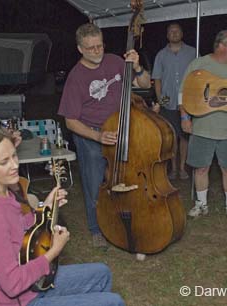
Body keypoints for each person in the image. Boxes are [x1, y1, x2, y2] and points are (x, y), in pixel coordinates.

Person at [0, 127, 125, 306]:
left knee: (102, 273)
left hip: (31, 286)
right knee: (114, 302)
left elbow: (18, 227)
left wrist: (44, 208)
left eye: (14, 156)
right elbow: (12, 284)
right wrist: (54, 252)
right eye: (4, 162)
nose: (15, 165)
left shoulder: (3, 193)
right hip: (22, 299)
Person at [58, 23, 151, 247]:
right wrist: (98, 137)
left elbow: (145, 84)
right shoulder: (76, 77)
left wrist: (137, 68)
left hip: (121, 128)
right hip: (92, 134)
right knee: (95, 185)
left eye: (99, 46)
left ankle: (123, 219)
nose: (97, 51)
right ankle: (96, 229)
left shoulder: (115, 62)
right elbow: (70, 121)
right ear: (80, 49)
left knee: (124, 179)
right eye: (90, 48)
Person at [179, 30, 227, 222]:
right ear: (222, 46)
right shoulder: (199, 64)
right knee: (201, 168)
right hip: (201, 128)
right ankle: (201, 204)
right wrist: (184, 117)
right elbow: (183, 93)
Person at [151, 22, 196, 180]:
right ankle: (173, 169)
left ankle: (183, 168)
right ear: (167, 35)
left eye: (177, 31)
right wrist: (160, 100)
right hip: (167, 101)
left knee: (185, 136)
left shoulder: (193, 52)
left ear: (182, 33)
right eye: (171, 31)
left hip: (188, 101)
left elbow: (199, 76)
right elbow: (157, 79)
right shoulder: (161, 55)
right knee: (171, 136)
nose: (174, 33)